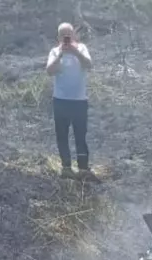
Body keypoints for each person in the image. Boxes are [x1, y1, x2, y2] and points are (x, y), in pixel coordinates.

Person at [46, 23, 95, 179]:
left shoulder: (81, 49)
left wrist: (75, 53)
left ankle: (83, 168)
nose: (67, 38)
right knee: (62, 135)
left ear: (74, 35)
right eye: (63, 35)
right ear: (58, 37)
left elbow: (89, 64)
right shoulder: (54, 52)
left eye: (69, 34)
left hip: (79, 101)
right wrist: (60, 55)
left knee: (80, 135)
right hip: (60, 101)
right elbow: (49, 71)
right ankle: (66, 166)